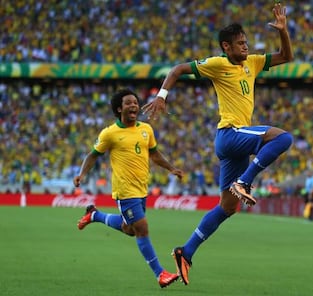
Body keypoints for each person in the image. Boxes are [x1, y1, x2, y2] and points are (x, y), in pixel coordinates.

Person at [142, 3, 293, 285]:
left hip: (234, 141)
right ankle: (245, 182)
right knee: (284, 137)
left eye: (246, 42)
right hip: (231, 133)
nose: (245, 47)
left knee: (227, 207)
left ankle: (185, 252)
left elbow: (286, 55)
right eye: (239, 43)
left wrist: (284, 31)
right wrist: (162, 95)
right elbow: (176, 69)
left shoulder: (254, 63)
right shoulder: (217, 64)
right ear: (226, 46)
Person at [73, 88, 184, 288]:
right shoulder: (110, 133)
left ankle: (94, 215)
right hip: (124, 191)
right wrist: (82, 174)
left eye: (135, 102)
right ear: (119, 109)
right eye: (128, 103)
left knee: (129, 229)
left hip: (142, 189)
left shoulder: (146, 130)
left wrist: (171, 168)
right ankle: (160, 273)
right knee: (142, 229)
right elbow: (93, 155)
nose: (134, 105)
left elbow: (155, 154)